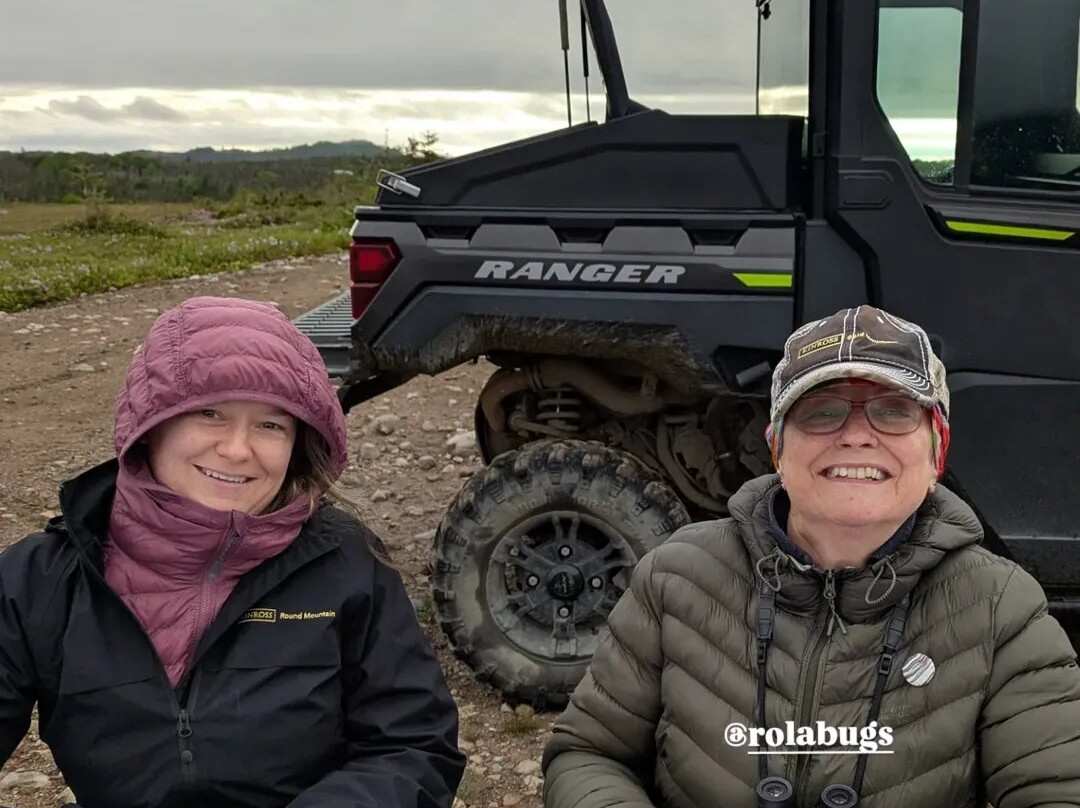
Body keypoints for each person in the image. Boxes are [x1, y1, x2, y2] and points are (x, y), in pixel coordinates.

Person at [541, 305, 1080, 808]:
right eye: (822, 411)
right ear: (777, 445)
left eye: (893, 412)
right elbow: (589, 753)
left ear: (937, 447)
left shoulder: (1000, 607)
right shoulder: (676, 576)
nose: (855, 436)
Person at [0, 296, 466, 808]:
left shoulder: (347, 565)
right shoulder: (39, 581)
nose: (238, 449)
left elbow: (414, 746)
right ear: (150, 423)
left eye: (271, 424)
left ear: (298, 445)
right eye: (209, 412)